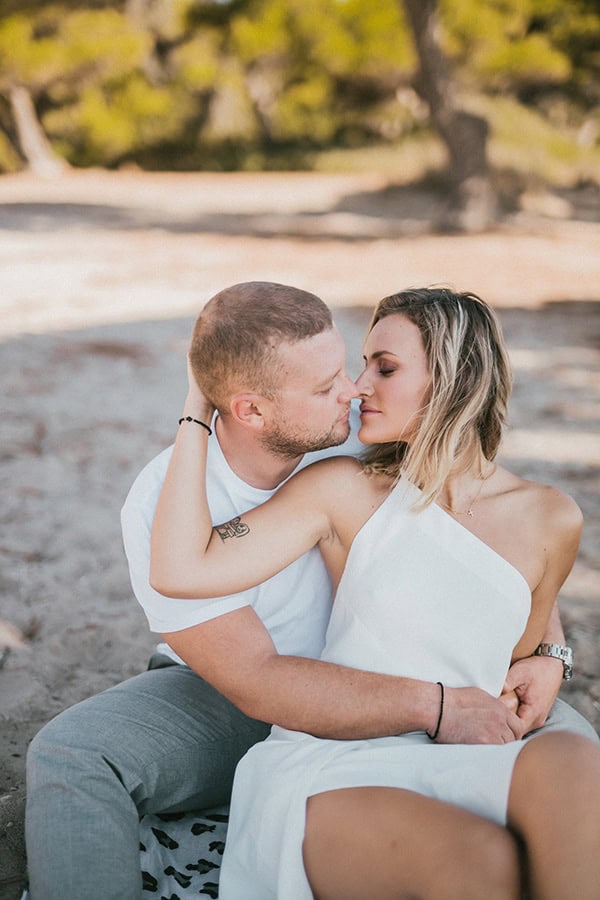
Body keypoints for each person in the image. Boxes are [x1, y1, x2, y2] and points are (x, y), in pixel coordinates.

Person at [25, 283, 595, 900]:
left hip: (429, 671)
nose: (352, 389)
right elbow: (257, 678)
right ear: (249, 409)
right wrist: (438, 708)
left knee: (572, 764)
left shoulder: (358, 428)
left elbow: (491, 550)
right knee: (74, 752)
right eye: (328, 386)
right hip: (254, 698)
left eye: (355, 368)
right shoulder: (175, 498)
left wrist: (549, 652)